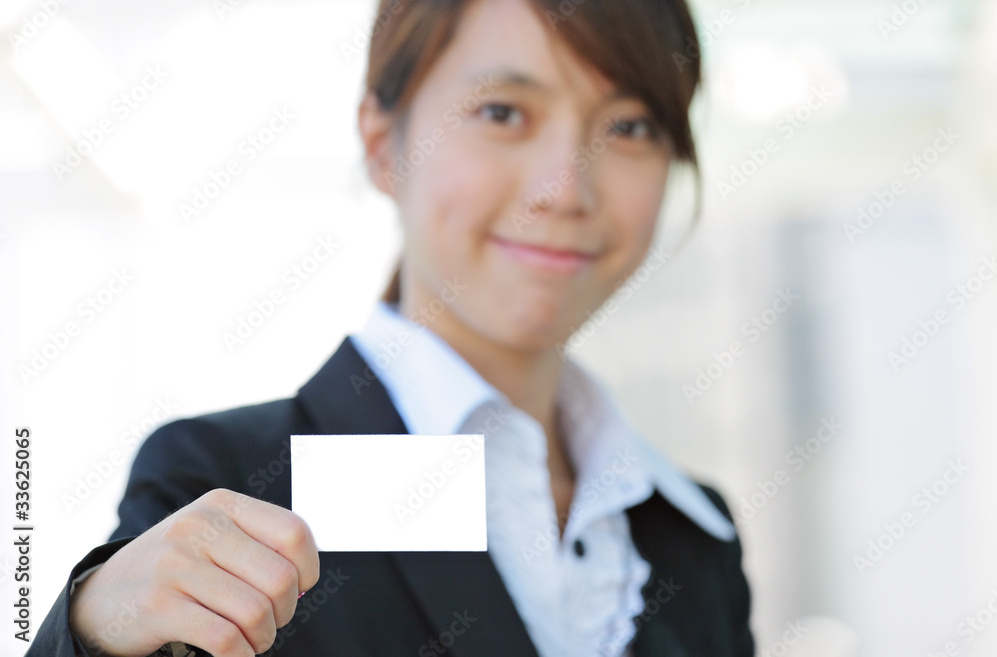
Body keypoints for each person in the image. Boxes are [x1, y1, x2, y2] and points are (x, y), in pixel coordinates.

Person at [27, 0, 755, 655]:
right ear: (382, 142)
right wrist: (93, 629)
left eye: (629, 126)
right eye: (503, 112)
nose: (565, 187)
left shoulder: (690, 532)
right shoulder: (237, 488)